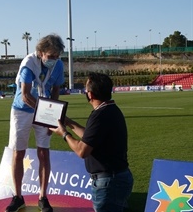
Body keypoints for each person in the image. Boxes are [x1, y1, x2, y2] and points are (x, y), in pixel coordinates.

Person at [50, 72, 133, 212]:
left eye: (86, 89)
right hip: (117, 177)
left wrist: (64, 134)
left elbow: (82, 150)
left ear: (91, 94)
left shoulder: (100, 115)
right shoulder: (110, 109)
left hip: (108, 181)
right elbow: (91, 138)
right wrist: (69, 122)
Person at [6, 34, 65, 212]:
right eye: (50, 55)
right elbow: (25, 95)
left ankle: (43, 197)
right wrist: (46, 116)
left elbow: (56, 90)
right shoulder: (29, 63)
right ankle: (17, 197)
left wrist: (53, 117)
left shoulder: (58, 65)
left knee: (44, 153)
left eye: (57, 56)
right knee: (18, 153)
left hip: (44, 109)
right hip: (22, 110)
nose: (54, 59)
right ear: (40, 52)